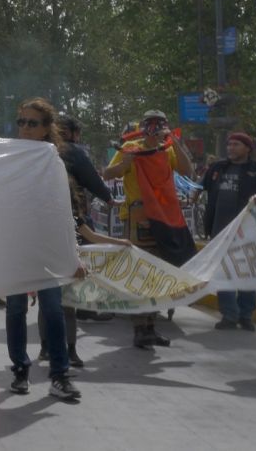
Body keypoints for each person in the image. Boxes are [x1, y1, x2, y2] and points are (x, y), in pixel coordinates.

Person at [31, 111, 131, 369]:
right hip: (54, 256)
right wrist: (109, 199)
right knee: (59, 304)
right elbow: (93, 181)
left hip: (61, 256)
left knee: (59, 304)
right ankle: (58, 350)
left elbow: (89, 233)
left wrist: (121, 243)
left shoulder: (34, 152)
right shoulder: (72, 153)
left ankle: (60, 349)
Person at [6, 98, 82, 400]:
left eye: (32, 123)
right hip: (15, 246)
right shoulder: (5, 159)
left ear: (46, 128)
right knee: (15, 309)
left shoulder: (53, 163)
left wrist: (73, 256)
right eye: (21, 122)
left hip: (47, 249)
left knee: (52, 309)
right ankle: (20, 370)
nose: (25, 128)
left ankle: (60, 375)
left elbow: (64, 212)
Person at [102, 109, 195, 349]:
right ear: (143, 127)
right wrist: (125, 162)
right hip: (139, 218)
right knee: (140, 274)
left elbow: (188, 171)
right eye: (151, 124)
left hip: (165, 217)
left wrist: (174, 141)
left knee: (158, 275)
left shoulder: (168, 149)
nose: (155, 129)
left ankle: (151, 328)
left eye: (159, 124)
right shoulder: (130, 147)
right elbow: (108, 173)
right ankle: (139, 329)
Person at [198, 132, 256, 331]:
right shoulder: (217, 168)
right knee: (223, 273)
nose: (230, 148)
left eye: (236, 144)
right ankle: (229, 315)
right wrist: (190, 196)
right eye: (229, 144)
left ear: (248, 148)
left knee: (247, 274)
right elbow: (199, 186)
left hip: (248, 232)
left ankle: (246, 316)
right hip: (220, 231)